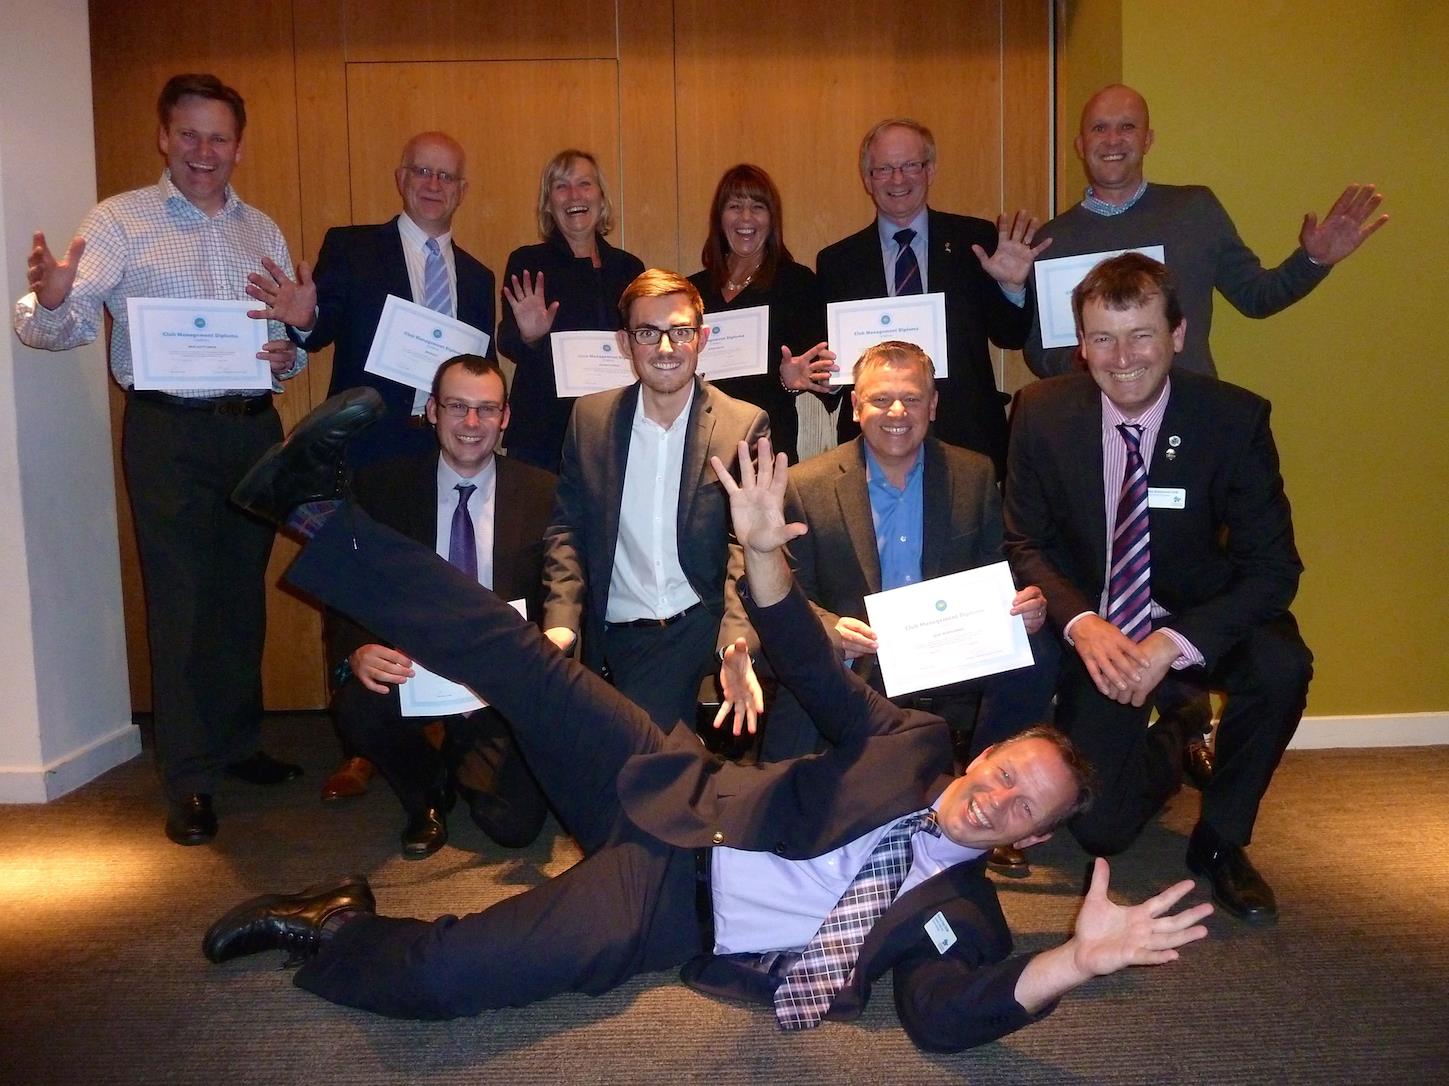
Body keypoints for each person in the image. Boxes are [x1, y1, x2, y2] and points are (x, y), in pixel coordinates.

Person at [205, 411, 1211, 1051]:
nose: (997, 796)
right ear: (984, 754)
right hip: (664, 777)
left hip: (665, 904)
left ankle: (332, 925)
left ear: (1030, 840)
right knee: (520, 659)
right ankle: (318, 513)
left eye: (1023, 809)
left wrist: (1075, 964)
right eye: (1006, 773)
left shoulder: (963, 919)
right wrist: (767, 557)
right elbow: (809, 661)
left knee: (454, 973)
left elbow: (944, 1018)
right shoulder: (907, 744)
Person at [12, 73, 308, 846]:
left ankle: (240, 744)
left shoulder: (262, 231)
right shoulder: (119, 222)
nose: (204, 151)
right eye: (190, 134)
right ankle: (189, 775)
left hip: (250, 427)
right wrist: (47, 300)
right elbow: (63, 325)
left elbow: (283, 354)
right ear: (163, 137)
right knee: (180, 601)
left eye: (219, 138)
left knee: (241, 595)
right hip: (167, 434)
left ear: (238, 147)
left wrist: (288, 347)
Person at [1003, 252, 1312, 923]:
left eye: (1140, 334)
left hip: (1199, 617)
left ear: (1176, 333)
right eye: (1102, 338)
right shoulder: (1040, 413)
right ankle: (1177, 729)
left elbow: (1273, 569)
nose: (1122, 358)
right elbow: (1023, 543)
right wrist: (1082, 624)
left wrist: (1172, 644)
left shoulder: (1232, 420)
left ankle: (1222, 838)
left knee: (1281, 665)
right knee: (1099, 831)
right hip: (1101, 626)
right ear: (1080, 345)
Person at [721, 341, 1060, 876]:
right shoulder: (809, 485)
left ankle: (988, 808)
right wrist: (830, 628)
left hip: (948, 657)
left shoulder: (973, 474)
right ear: (856, 406)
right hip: (856, 666)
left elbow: (996, 568)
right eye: (881, 400)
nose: (896, 413)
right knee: (793, 752)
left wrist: (1023, 604)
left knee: (1037, 646)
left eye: (911, 398)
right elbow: (787, 592)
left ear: (933, 406)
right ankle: (787, 818)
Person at [323, 354, 553, 858]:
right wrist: (358, 647)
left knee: (513, 826)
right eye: (456, 407)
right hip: (416, 667)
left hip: (499, 676)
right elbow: (348, 584)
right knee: (359, 703)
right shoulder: (383, 487)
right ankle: (424, 791)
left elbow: (560, 591)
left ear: (505, 417)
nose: (472, 424)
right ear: (432, 410)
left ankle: (464, 757)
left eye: (486, 409)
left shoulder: (542, 492)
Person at [1023, 84, 1387, 379]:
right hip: (1092, 426)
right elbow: (1042, 354)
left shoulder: (1194, 210)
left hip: (1192, 418)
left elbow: (1256, 298)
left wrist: (1313, 260)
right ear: (1081, 145)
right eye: (1099, 128)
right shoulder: (1053, 239)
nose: (1113, 139)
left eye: (1128, 127)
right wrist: (1108, 367)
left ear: (1147, 140)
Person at [540, 270, 768, 732]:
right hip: (617, 627)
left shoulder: (742, 425)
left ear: (701, 338)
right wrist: (562, 620)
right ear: (625, 343)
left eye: (680, 331)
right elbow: (567, 529)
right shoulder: (591, 418)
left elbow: (749, 548)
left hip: (701, 624)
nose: (666, 348)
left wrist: (735, 643)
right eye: (648, 333)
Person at [816, 118, 1049, 477]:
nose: (898, 179)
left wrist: (1013, 287)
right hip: (875, 444)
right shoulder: (838, 262)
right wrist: (819, 377)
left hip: (966, 439)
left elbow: (1010, 335)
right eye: (884, 169)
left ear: (931, 170)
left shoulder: (976, 240)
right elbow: (832, 367)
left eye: (911, 165)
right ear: (867, 178)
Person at [251, 130, 495, 470]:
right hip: (367, 446)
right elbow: (322, 328)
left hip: (450, 451)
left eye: (446, 176)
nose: (433, 185)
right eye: (422, 171)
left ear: (462, 191)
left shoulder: (479, 278)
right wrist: (307, 320)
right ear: (401, 178)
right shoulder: (351, 249)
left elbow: (484, 368)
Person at [499, 150, 645, 471]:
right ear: (548, 203)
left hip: (613, 430)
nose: (574, 195)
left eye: (584, 184)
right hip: (543, 434)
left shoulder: (629, 268)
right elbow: (506, 341)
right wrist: (530, 336)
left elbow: (641, 341)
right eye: (561, 186)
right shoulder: (528, 262)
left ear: (601, 198)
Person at [687, 163, 835, 463]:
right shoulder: (690, 291)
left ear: (772, 219)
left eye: (757, 207)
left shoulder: (796, 283)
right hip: (699, 452)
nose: (745, 217)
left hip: (764, 448)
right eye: (734, 206)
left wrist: (789, 380)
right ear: (719, 217)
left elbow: (824, 374)